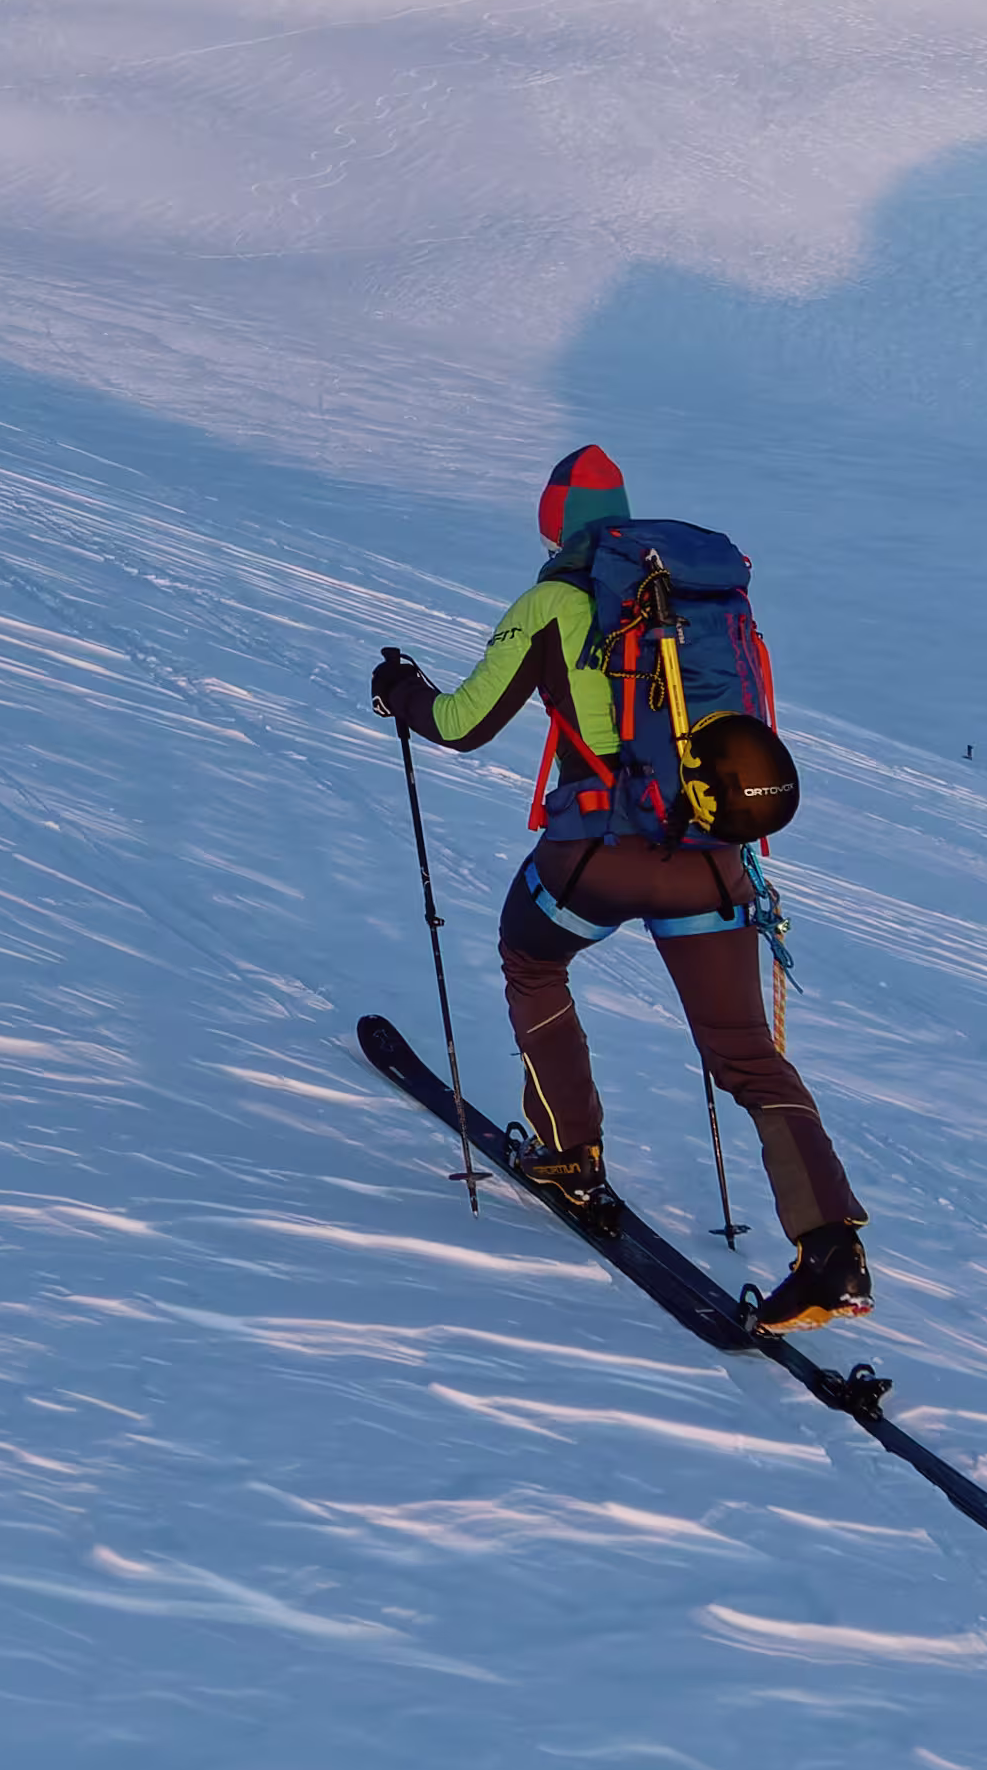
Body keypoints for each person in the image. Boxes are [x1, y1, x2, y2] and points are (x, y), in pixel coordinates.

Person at [371, 443, 873, 1330]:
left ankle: (568, 1153)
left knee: (533, 958)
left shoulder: (557, 601)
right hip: (714, 859)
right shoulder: (704, 603)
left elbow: (460, 724)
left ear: (552, 522)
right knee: (746, 1053)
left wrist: (400, 691)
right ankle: (832, 1248)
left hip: (598, 854)